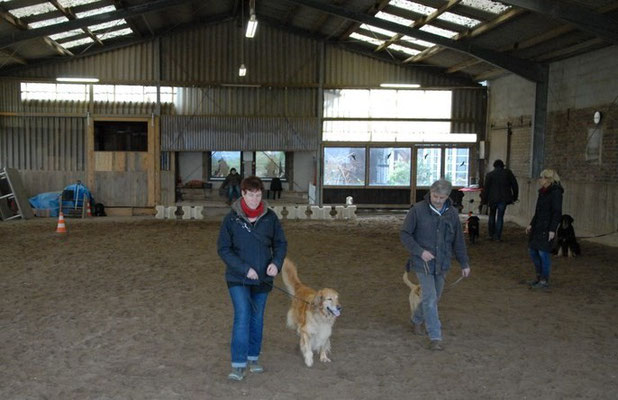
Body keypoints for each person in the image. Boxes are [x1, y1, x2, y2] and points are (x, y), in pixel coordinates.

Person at [217, 176, 287, 381]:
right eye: (251, 195)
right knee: (243, 315)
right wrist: (244, 269)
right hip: (237, 278)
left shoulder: (270, 218)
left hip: (263, 279)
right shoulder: (231, 219)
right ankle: (238, 364)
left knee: (257, 318)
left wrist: (276, 263)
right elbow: (223, 249)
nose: (255, 199)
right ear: (243, 194)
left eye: (258, 195)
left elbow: (280, 243)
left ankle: (253, 357)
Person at [400, 179, 471, 351]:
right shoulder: (417, 210)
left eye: (441, 197)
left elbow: (458, 240)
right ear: (430, 193)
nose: (437, 200)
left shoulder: (452, 213)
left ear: (448, 196)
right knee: (431, 299)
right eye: (435, 196)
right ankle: (435, 336)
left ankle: (416, 319)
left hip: (443, 262)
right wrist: (420, 251)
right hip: (421, 263)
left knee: (433, 297)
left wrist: (464, 263)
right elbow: (405, 234)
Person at [526, 169, 563, 289]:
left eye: (542, 177)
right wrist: (531, 224)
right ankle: (538, 276)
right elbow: (538, 211)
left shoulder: (556, 193)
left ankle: (544, 280)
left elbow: (556, 212)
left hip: (547, 227)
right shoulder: (542, 192)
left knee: (543, 253)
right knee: (533, 251)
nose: (540, 179)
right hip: (538, 226)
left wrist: (552, 229)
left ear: (548, 179)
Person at [482, 159, 518, 241]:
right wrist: (514, 197)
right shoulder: (508, 173)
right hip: (504, 199)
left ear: (494, 166)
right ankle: (497, 236)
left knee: (491, 216)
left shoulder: (490, 175)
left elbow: (486, 189)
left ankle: (491, 235)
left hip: (492, 199)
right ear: (502, 166)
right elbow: (515, 185)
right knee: (500, 217)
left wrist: (484, 200)